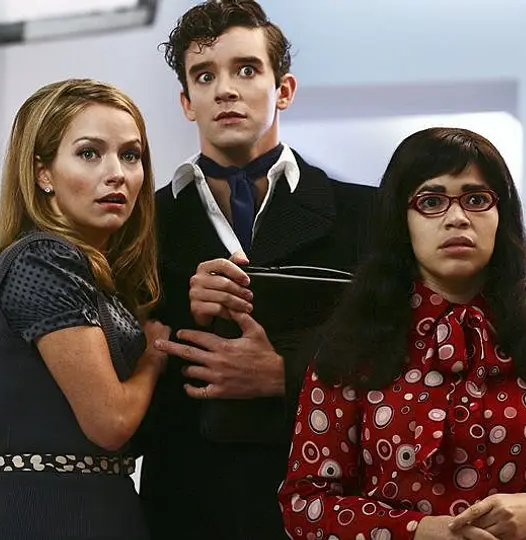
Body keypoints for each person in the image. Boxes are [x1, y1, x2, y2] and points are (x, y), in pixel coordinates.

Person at [278, 127, 526, 540]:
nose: (458, 218)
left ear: (503, 216)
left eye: (476, 200)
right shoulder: (352, 342)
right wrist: (418, 531)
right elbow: (305, 504)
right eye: (431, 201)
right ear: (401, 220)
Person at [135, 2, 376, 539]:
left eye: (246, 69)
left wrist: (286, 376)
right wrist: (184, 313)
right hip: (183, 514)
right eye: (204, 76)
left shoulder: (369, 214)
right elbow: (119, 389)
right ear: (186, 102)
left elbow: (404, 360)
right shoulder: (141, 226)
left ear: (283, 89)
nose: (225, 90)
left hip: (325, 513)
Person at [0, 78, 170, 540]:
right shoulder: (44, 259)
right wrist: (152, 356)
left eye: (131, 155)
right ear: (43, 173)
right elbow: (110, 422)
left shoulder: (82, 268)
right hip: (52, 515)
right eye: (89, 153)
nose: (117, 173)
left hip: (87, 509)